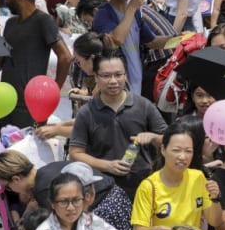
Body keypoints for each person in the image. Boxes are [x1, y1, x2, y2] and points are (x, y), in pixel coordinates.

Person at [69, 50, 167, 197]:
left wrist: (153, 137)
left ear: (125, 75)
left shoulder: (143, 105)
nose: (113, 81)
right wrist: (107, 166)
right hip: (103, 191)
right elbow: (75, 154)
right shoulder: (87, 112)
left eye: (118, 75)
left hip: (143, 188)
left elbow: (169, 141)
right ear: (95, 77)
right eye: (106, 76)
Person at [0, 0, 71, 127]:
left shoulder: (43, 20)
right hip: (7, 101)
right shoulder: (10, 24)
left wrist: (52, 94)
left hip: (30, 104)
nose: (5, 0)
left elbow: (66, 57)